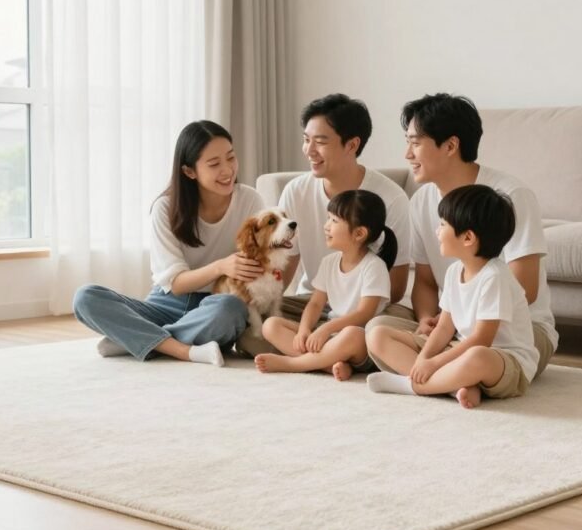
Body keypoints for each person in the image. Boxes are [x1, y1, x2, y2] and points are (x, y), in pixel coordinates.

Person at [366, 93, 557, 376]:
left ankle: (435, 377)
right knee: (375, 329)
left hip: (517, 331)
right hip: (455, 325)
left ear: (451, 145)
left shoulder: (509, 196)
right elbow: (427, 283)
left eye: (416, 143)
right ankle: (448, 381)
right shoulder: (420, 201)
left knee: (478, 355)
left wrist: (453, 324)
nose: (408, 155)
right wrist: (428, 319)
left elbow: (524, 289)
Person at [73, 120, 265, 367]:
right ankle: (184, 350)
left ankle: (136, 340)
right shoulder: (165, 208)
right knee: (85, 297)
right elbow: (176, 285)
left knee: (231, 309)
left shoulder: (251, 200)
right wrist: (220, 267)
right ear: (189, 171)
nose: (227, 170)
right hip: (165, 305)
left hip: (215, 305)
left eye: (231, 158)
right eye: (215, 164)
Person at [236, 93, 413, 356]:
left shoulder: (390, 198)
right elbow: (285, 270)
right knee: (251, 334)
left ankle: (316, 355)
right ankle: (332, 357)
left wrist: (345, 312)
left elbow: (396, 289)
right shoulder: (296, 192)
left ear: (352, 145)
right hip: (314, 302)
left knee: (378, 330)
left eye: (320, 142)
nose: (309, 150)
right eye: (306, 140)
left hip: (369, 307)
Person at [366, 185, 540, 408]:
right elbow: (444, 328)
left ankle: (414, 385)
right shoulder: (453, 271)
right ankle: (453, 387)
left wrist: (434, 362)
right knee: (377, 335)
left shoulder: (495, 277)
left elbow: (481, 340)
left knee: (477, 356)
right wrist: (423, 359)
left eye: (442, 225)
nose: (437, 232)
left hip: (505, 360)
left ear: (468, 237)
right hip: (460, 347)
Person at [254, 190, 397, 380]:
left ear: (359, 233)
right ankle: (329, 365)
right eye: (328, 219)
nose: (326, 226)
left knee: (351, 335)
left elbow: (364, 314)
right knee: (270, 325)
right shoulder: (329, 262)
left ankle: (295, 364)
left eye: (334, 221)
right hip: (328, 336)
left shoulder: (374, 267)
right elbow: (315, 304)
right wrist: (305, 330)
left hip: (358, 341)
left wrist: (325, 330)